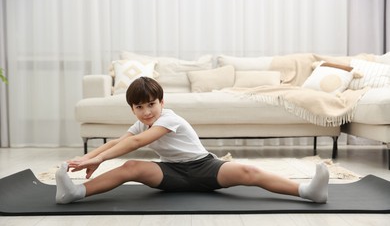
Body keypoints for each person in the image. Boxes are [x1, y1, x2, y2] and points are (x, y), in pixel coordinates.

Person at [55, 77, 329, 204]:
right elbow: (119, 142)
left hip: (205, 168)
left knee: (249, 171)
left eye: (151, 104)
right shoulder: (141, 122)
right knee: (130, 168)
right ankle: (76, 193)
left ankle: (307, 192)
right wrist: (90, 158)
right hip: (170, 174)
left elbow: (137, 143)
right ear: (132, 109)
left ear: (162, 102)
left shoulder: (169, 119)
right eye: (140, 107)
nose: (147, 112)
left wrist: (100, 159)